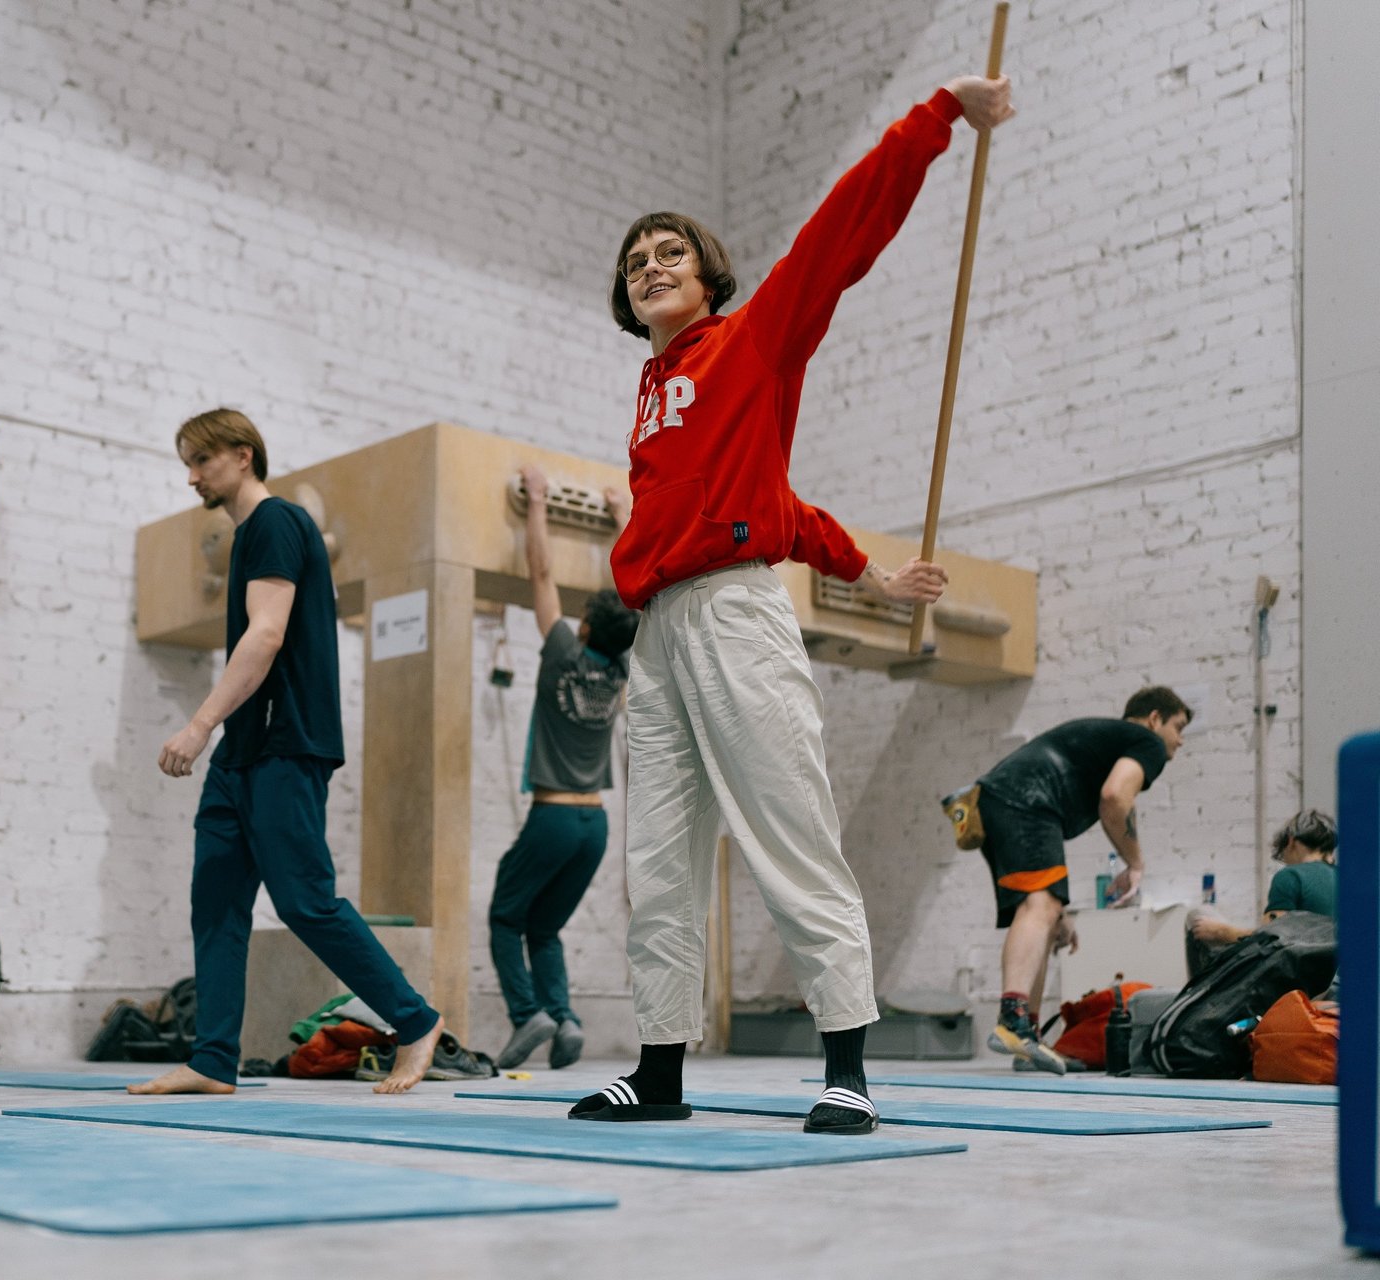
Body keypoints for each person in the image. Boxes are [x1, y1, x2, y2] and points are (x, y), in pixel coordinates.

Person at [569, 74, 1010, 1134]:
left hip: (733, 618)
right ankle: (662, 1069)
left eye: (669, 251)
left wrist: (936, 115)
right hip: (661, 637)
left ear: (708, 273)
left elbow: (841, 228)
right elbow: (778, 502)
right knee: (659, 863)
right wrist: (871, 568)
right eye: (636, 263)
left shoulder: (753, 339)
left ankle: (848, 1063)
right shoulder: (655, 399)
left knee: (790, 835)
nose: (651, 267)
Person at [131, 408, 449, 1097]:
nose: (191, 477)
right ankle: (213, 1059)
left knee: (304, 901)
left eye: (201, 461)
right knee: (215, 901)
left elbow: (267, 634)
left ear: (242, 455)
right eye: (186, 463)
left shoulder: (276, 523)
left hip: (284, 742)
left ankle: (415, 1020)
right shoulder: (248, 534)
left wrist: (200, 724)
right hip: (245, 752)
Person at [490, 464, 638, 1071]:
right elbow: (636, 595)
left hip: (553, 816)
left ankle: (529, 1014)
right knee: (543, 928)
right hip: (595, 827)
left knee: (505, 915)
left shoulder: (560, 653)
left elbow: (542, 573)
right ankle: (567, 1018)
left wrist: (538, 503)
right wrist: (623, 520)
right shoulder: (623, 670)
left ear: (582, 628)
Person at [968, 686, 1192, 1073]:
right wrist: (1135, 863)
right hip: (1027, 800)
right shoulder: (1146, 742)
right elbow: (1114, 798)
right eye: (1178, 726)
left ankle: (1027, 1039)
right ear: (1155, 719)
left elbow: (1115, 801)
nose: (1181, 740)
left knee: (1044, 911)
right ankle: (1013, 1021)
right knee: (1041, 907)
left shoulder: (1108, 741)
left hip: (1003, 800)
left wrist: (1060, 911)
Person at [1186, 809, 1337, 980]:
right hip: (1335, 978)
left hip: (1299, 977)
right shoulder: (1349, 879)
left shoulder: (1291, 875)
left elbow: (1269, 941)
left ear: (1291, 841)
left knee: (1197, 916)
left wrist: (1220, 931)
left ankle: (1201, 998)